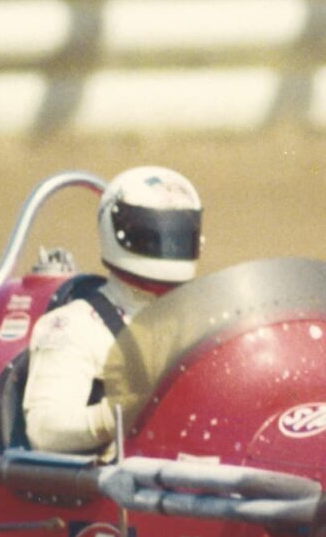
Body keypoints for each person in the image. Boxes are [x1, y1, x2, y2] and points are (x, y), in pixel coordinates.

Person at [23, 165, 203, 454]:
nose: (167, 246)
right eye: (152, 235)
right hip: (119, 476)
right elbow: (44, 430)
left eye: (178, 236)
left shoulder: (203, 320)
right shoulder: (76, 327)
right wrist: (112, 415)